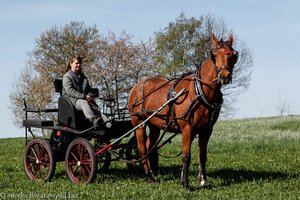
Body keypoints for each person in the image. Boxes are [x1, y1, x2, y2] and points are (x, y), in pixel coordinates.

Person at [62, 55, 103, 126]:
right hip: (71, 100)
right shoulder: (67, 76)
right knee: (84, 103)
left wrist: (89, 95)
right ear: (71, 64)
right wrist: (83, 96)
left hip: (83, 98)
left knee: (95, 107)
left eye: (80, 63)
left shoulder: (83, 77)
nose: (79, 65)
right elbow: (70, 91)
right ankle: (93, 120)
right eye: (76, 63)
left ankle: (105, 121)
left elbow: (89, 89)